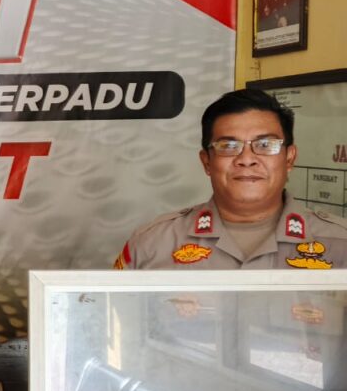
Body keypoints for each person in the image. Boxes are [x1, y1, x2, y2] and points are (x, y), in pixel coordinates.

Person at [114, 88, 347, 271]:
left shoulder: (340, 242)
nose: (247, 159)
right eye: (228, 146)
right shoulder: (151, 244)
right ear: (207, 162)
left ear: (289, 158)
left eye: (266, 145)